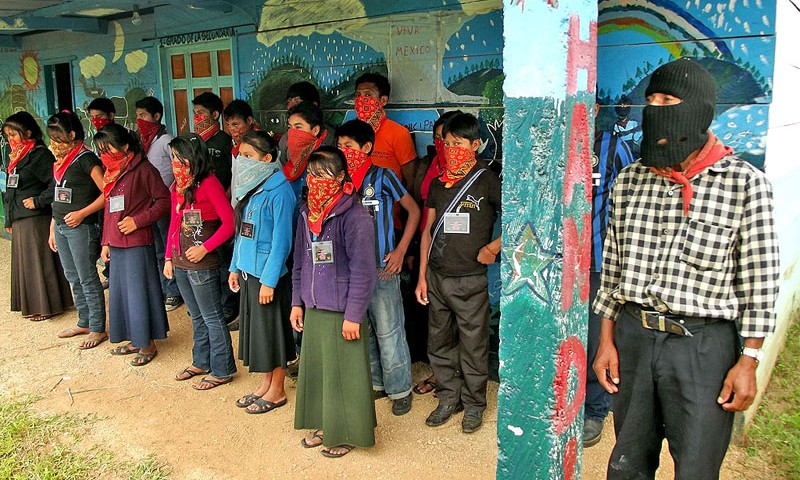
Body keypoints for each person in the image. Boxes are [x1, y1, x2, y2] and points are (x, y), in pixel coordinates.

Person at [592, 58, 780, 479]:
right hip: (634, 337)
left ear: (696, 110)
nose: (655, 109)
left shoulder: (745, 184)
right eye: (651, 100)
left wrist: (748, 361)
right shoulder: (629, 181)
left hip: (702, 347)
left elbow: (761, 283)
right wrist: (606, 341)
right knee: (627, 462)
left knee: (696, 466)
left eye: (668, 100)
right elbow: (614, 270)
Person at [415, 112, 501, 434]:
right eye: (447, 143)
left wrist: (493, 248)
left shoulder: (488, 179)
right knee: (439, 342)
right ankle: (449, 397)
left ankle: (475, 404)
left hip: (471, 279)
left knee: (473, 345)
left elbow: (519, 218)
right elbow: (427, 232)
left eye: (459, 143)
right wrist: (422, 276)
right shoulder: (438, 184)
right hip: (437, 278)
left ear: (475, 145)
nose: (451, 149)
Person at [291, 146, 377, 459]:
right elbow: (300, 260)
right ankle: (326, 423)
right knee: (322, 373)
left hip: (343, 312)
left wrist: (354, 315)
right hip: (314, 308)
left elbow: (364, 272)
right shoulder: (306, 213)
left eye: (324, 174)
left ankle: (347, 432)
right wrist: (296, 302)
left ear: (341, 177)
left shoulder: (356, 217)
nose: (316, 180)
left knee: (346, 375)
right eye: (311, 174)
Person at [335, 120, 420, 415]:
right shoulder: (337, 181)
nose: (343, 151)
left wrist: (400, 250)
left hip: (382, 268)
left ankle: (400, 389)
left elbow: (414, 210)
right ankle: (376, 385)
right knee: (364, 330)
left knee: (389, 331)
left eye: (349, 146)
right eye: (340, 146)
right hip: (349, 271)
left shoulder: (383, 177)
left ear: (367, 148)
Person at [228, 131, 296, 412]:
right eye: (241, 156)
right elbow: (241, 234)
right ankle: (265, 384)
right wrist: (234, 267)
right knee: (259, 334)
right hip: (248, 273)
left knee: (273, 333)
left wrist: (269, 281)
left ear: (267, 159)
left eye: (249, 156)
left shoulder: (280, 192)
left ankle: (277, 390)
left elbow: (282, 242)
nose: (243, 162)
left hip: (269, 278)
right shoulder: (251, 188)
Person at [165, 133, 237, 390]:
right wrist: (168, 257)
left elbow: (229, 223)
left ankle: (222, 369)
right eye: (172, 158)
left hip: (201, 264)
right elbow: (174, 222)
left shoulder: (209, 183)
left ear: (193, 157)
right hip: (181, 260)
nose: (174, 163)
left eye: (179, 157)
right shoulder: (179, 186)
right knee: (195, 315)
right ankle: (201, 361)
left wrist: (205, 248)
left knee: (211, 316)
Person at [97, 123, 170, 367]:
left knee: (139, 294)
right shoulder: (111, 172)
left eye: (109, 150)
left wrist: (138, 221)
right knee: (121, 295)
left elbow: (163, 201)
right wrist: (105, 242)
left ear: (125, 146)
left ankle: (147, 344)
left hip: (137, 242)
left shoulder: (144, 169)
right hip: (116, 244)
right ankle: (133, 339)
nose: (105, 155)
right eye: (101, 151)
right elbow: (109, 210)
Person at [583, 104, 634, 447]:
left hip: (600, 264)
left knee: (595, 339)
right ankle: (563, 400)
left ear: (594, 108)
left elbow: (633, 205)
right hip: (559, 264)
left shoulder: (614, 149)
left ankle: (595, 410)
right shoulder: (552, 149)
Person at [409, 110, 462, 396]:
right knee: (436, 320)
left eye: (449, 139)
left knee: (459, 322)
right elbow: (419, 206)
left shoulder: (473, 173)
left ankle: (457, 377)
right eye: (438, 138)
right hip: (428, 248)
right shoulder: (427, 165)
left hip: (458, 256)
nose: (443, 144)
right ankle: (439, 373)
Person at [2, 112, 73, 323]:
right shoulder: (15, 156)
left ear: (28, 132)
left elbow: (56, 183)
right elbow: (10, 190)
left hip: (36, 218)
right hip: (20, 218)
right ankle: (34, 304)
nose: (10, 140)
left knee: (39, 264)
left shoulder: (39, 155)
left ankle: (48, 305)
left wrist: (38, 200)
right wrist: (8, 219)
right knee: (27, 264)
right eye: (7, 136)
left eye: (14, 134)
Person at [44, 111, 106, 348]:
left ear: (72, 134)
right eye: (52, 137)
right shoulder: (60, 161)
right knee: (72, 276)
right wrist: (52, 227)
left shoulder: (86, 159)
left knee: (87, 276)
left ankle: (98, 327)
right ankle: (84, 320)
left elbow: (107, 193)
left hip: (82, 227)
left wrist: (82, 213)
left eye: (59, 138)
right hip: (61, 226)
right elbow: (58, 199)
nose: (55, 143)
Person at [192, 92, 238, 326]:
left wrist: (224, 197)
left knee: (224, 258)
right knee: (206, 255)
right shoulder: (195, 142)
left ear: (215, 115)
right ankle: (211, 302)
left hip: (223, 206)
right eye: (195, 113)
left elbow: (234, 173)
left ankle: (229, 304)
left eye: (201, 113)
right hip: (201, 210)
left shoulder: (225, 140)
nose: (197, 117)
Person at [135, 96, 183, 312]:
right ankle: (163, 289)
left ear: (157, 116)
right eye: (137, 116)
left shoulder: (166, 141)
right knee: (155, 247)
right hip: (148, 204)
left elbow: (178, 170)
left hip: (166, 202)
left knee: (168, 248)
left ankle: (174, 292)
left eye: (143, 116)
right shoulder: (144, 140)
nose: (139, 120)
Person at [353, 73, 417, 185]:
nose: (361, 100)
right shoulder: (348, 132)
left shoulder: (398, 133)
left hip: (387, 200)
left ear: (383, 100)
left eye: (368, 95)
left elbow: (411, 180)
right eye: (358, 95)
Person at [282, 101, 332, 202]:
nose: (292, 132)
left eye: (298, 127)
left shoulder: (326, 158)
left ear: (315, 130)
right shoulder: (293, 154)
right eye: (290, 127)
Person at [277, 81, 328, 166]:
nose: (291, 105)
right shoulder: (286, 138)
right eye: (288, 102)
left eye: (297, 101)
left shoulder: (328, 137)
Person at [223, 99, 261, 208]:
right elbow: (236, 176)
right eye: (228, 125)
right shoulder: (236, 145)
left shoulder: (261, 146)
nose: (231, 129)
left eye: (235, 124)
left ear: (249, 121)